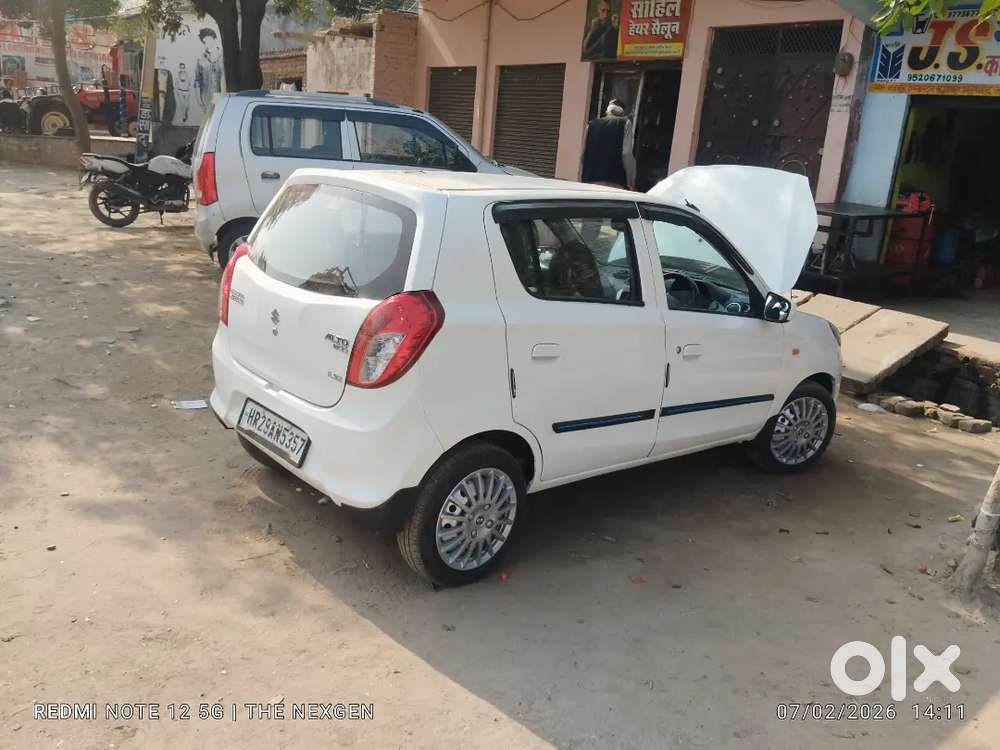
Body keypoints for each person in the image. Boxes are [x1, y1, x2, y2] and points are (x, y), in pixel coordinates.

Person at [581, 99, 636, 189]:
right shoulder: (625, 123)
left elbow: (583, 155)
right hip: (614, 181)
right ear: (622, 113)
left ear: (607, 111)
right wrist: (630, 181)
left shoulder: (591, 124)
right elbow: (626, 154)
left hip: (590, 179)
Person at [195, 28, 222, 110]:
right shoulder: (200, 60)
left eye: (209, 40)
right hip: (206, 97)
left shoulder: (222, 57)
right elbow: (197, 81)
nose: (206, 43)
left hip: (222, 96)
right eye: (204, 41)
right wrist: (199, 100)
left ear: (214, 39)